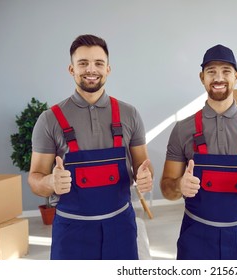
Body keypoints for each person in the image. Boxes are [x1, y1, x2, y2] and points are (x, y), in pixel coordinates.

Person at [28, 34, 153, 260]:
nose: (91, 69)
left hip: (121, 228)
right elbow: (35, 179)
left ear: (108, 69)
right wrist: (49, 182)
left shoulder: (130, 114)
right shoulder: (49, 120)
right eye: (83, 63)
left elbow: (142, 166)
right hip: (72, 232)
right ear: (71, 69)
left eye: (98, 63)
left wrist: (145, 176)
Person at [160, 44, 237, 260]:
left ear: (236, 76)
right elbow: (166, 188)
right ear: (202, 77)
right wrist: (179, 185)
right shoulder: (183, 129)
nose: (218, 78)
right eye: (211, 72)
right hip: (196, 238)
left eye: (226, 71)